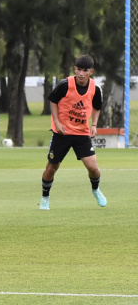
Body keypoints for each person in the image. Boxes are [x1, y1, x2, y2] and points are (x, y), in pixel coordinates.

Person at [39, 55, 107, 210]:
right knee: (51, 168)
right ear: (75, 69)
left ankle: (96, 190)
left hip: (82, 134)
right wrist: (57, 123)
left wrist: (94, 125)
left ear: (91, 71)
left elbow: (97, 107)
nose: (81, 73)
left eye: (85, 70)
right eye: (79, 69)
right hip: (62, 133)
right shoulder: (65, 84)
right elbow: (53, 101)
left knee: (93, 168)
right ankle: (45, 198)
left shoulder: (95, 88)